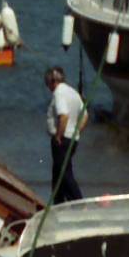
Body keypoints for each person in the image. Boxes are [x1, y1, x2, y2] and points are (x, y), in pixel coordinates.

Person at [44, 66, 85, 204]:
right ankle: (59, 203)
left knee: (63, 173)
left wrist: (58, 136)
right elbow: (85, 115)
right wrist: (77, 131)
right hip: (72, 138)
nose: (48, 86)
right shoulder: (73, 92)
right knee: (58, 173)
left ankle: (79, 203)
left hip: (62, 139)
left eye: (47, 82)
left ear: (53, 80)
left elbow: (64, 116)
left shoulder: (59, 93)